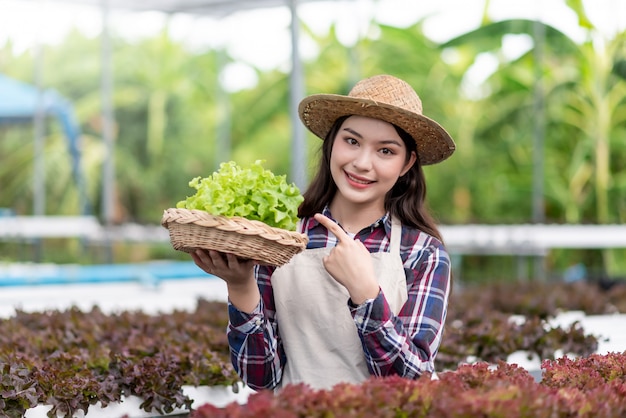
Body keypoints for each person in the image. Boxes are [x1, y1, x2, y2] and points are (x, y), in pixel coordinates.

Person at [191, 74, 456, 391]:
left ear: (407, 163)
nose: (361, 163)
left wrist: (367, 294)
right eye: (352, 141)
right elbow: (261, 378)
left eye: (385, 151)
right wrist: (241, 286)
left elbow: (412, 380)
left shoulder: (422, 252)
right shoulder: (281, 236)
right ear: (331, 143)